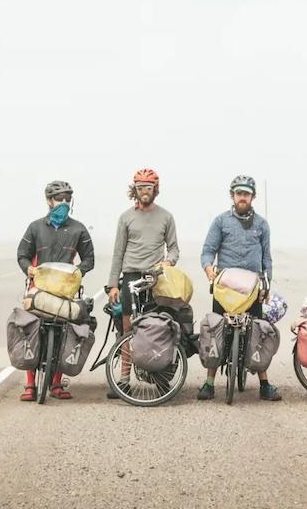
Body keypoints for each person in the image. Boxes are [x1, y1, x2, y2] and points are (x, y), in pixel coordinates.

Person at [197, 175, 281, 402]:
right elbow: (207, 250)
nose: (242, 197)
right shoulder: (220, 221)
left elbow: (267, 258)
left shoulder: (262, 224)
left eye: (246, 193)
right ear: (232, 195)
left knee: (258, 330)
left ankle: (264, 384)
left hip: (252, 287)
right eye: (238, 193)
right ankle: (209, 383)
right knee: (216, 329)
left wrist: (267, 284)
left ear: (252, 197)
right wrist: (208, 269)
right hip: (225, 285)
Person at [17, 180, 95, 401]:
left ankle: (57, 383)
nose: (63, 202)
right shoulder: (35, 227)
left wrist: (78, 271)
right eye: (58, 198)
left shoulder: (78, 228)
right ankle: (30, 384)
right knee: (28, 328)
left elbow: (89, 259)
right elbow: (22, 254)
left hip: (65, 290)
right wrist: (29, 269)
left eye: (67, 199)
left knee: (66, 330)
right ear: (48, 201)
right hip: (38, 288)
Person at [106, 168, 180, 398]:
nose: (143, 192)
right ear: (134, 190)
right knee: (128, 327)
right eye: (139, 188)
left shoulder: (166, 217)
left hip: (155, 278)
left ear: (155, 189)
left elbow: (174, 248)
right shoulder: (126, 217)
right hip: (130, 276)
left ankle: (160, 380)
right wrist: (113, 285)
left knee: (156, 329)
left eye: (147, 188)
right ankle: (124, 380)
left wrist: (169, 262)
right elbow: (118, 253)